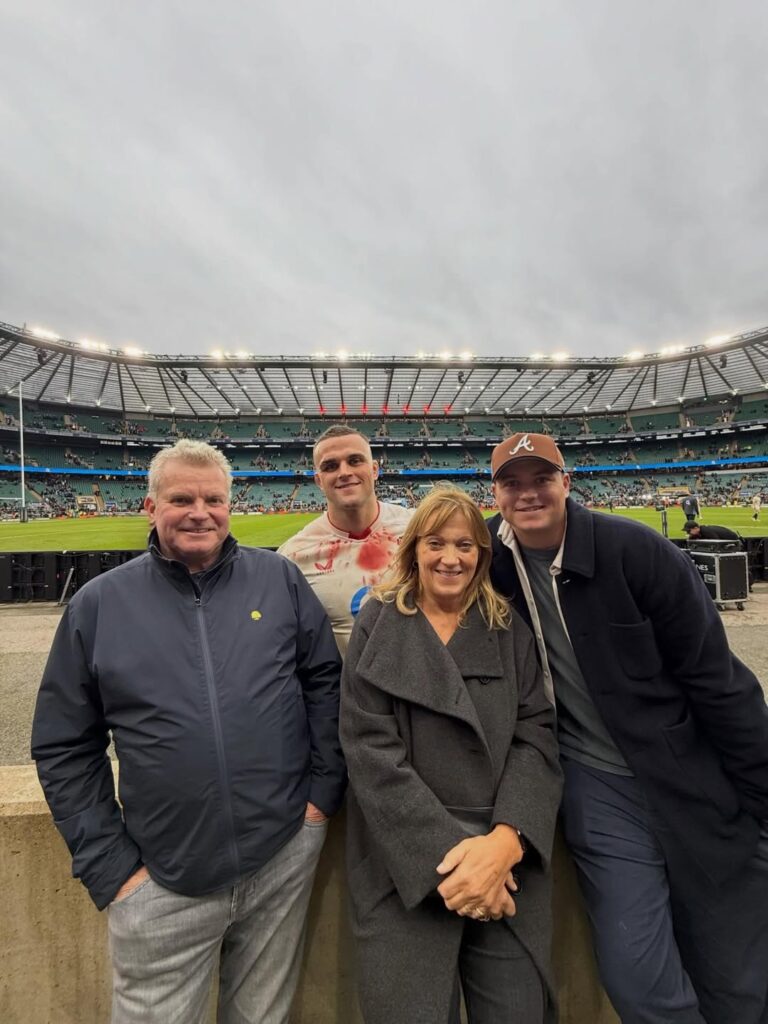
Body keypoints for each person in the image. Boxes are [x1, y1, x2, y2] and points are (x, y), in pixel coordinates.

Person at [31, 439, 346, 1024]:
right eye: (181, 499)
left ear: (230, 506)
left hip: (281, 856)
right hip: (161, 880)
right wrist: (112, 869)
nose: (200, 513)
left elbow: (324, 683)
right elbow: (64, 744)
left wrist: (319, 802)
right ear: (150, 507)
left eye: (213, 500)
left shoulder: (277, 578)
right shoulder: (98, 604)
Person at [487, 432, 768, 1024]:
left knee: (736, 981)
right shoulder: (486, 559)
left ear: (567, 483)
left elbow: (717, 681)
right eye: (512, 483)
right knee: (637, 975)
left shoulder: (637, 551)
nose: (528, 493)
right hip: (595, 784)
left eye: (542, 479)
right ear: (496, 494)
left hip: (689, 775)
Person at [341, 485, 563, 1023]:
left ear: (481, 555)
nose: (450, 558)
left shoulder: (506, 625)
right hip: (403, 865)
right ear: (414, 548)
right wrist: (459, 864)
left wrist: (505, 841)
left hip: (503, 864)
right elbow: (369, 750)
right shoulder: (377, 622)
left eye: (465, 545)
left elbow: (536, 733)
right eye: (436, 543)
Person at [278, 425, 412, 656]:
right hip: (344, 679)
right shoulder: (293, 557)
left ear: (374, 469)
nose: (344, 472)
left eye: (355, 461)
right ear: (319, 480)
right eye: (330, 466)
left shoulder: (418, 529)